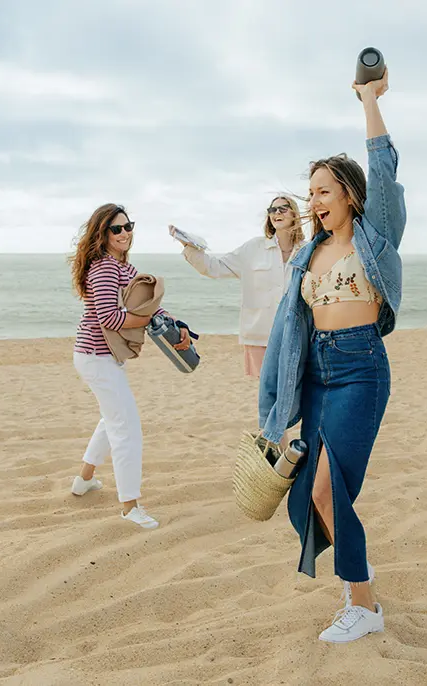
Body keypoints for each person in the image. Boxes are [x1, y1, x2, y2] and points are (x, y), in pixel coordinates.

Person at [258, 67, 405, 644]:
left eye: (324, 191)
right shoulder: (306, 254)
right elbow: (285, 335)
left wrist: (369, 100)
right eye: (310, 192)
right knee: (306, 499)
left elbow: (386, 174)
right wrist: (273, 408)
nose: (314, 201)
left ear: (348, 193)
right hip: (315, 373)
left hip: (360, 370)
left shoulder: (375, 238)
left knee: (327, 488)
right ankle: (357, 593)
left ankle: (364, 606)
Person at [68, 203, 191, 530]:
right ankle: (129, 507)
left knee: (113, 419)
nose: (125, 233)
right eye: (116, 229)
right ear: (102, 233)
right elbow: (110, 317)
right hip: (96, 356)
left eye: (128, 226)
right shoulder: (105, 268)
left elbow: (149, 305)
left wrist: (175, 323)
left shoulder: (122, 266)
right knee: (127, 429)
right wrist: (150, 318)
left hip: (101, 356)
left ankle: (84, 480)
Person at [172, 196, 306, 377]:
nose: (276, 213)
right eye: (272, 210)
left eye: (282, 209)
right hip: (259, 337)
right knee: (267, 396)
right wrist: (188, 245)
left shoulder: (307, 251)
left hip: (296, 336)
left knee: (296, 393)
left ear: (294, 214)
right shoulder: (253, 248)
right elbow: (214, 267)